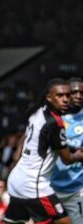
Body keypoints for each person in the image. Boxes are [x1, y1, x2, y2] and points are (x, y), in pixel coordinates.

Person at [3, 78, 83, 224]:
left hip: (17, 180)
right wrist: (78, 155)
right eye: (60, 96)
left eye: (67, 95)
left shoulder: (38, 111)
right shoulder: (55, 122)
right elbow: (67, 159)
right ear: (49, 97)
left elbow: (48, 143)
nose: (65, 99)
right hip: (34, 184)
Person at [51, 77, 83, 224]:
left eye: (82, 93)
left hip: (77, 189)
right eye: (74, 92)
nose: (78, 96)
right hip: (51, 187)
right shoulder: (53, 118)